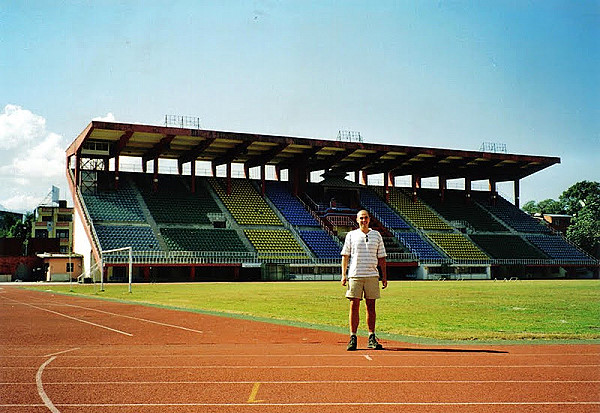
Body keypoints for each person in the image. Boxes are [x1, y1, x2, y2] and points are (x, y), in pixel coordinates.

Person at [341, 209, 387, 351]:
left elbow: (382, 258)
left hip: (372, 275)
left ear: (369, 219)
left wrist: (384, 276)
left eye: (365, 218)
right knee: (354, 305)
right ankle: (353, 337)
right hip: (355, 274)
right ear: (357, 220)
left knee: (370, 306)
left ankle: (371, 336)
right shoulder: (351, 235)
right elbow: (345, 255)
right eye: (361, 218)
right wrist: (343, 275)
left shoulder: (376, 235)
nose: (363, 220)